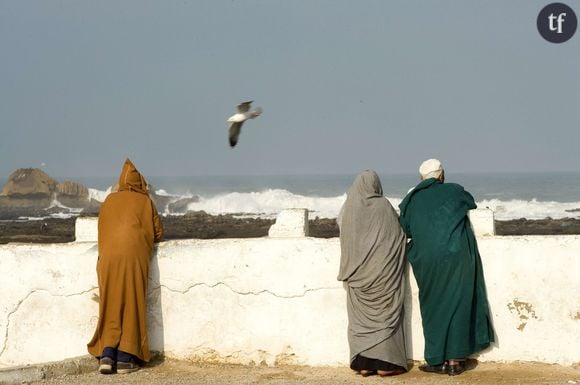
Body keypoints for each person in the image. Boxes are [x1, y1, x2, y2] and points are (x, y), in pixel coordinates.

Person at [398, 159, 494, 376]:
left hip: (427, 261)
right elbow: (471, 203)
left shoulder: (412, 199)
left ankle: (436, 359)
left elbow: (406, 227)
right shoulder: (454, 191)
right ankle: (455, 362)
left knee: (432, 306)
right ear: (441, 175)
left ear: (421, 178)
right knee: (459, 304)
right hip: (457, 257)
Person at [87, 159, 164, 374]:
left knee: (110, 304)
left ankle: (107, 355)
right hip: (133, 260)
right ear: (140, 183)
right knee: (132, 303)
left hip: (107, 261)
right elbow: (158, 233)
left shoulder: (109, 200)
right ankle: (125, 358)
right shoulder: (145, 202)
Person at [337, 170, 408, 377]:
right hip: (383, 276)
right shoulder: (384, 206)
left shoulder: (348, 208)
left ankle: (363, 365)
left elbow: (344, 232)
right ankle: (386, 366)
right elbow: (398, 236)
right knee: (385, 319)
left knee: (359, 321)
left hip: (357, 277)